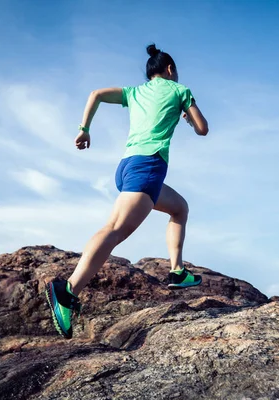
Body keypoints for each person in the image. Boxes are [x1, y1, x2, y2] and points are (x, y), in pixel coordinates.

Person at [45, 44, 209, 339]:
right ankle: (67, 292)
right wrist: (187, 115)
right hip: (148, 167)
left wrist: (84, 128)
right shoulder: (179, 90)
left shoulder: (135, 92)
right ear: (170, 69)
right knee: (115, 229)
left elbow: (95, 94)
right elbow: (202, 128)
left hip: (127, 167)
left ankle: (177, 271)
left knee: (179, 208)